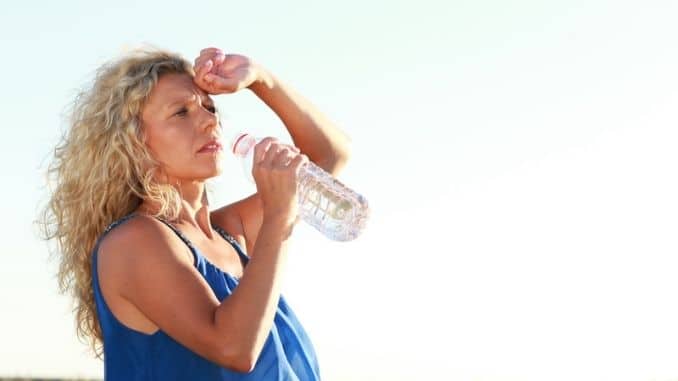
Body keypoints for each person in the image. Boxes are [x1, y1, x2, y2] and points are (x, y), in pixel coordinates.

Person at [39, 46, 350, 380]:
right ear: (133, 141)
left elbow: (328, 158)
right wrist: (278, 217)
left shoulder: (231, 233)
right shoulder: (133, 242)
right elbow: (234, 348)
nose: (209, 121)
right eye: (181, 113)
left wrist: (261, 79)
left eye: (209, 106)